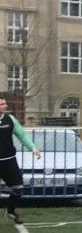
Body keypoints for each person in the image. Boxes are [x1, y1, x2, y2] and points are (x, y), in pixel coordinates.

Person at [0, 96, 42, 225]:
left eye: (4, 103)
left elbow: (22, 136)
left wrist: (33, 148)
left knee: (18, 188)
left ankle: (11, 212)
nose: (5, 106)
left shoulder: (10, 119)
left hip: (9, 160)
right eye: (1, 104)